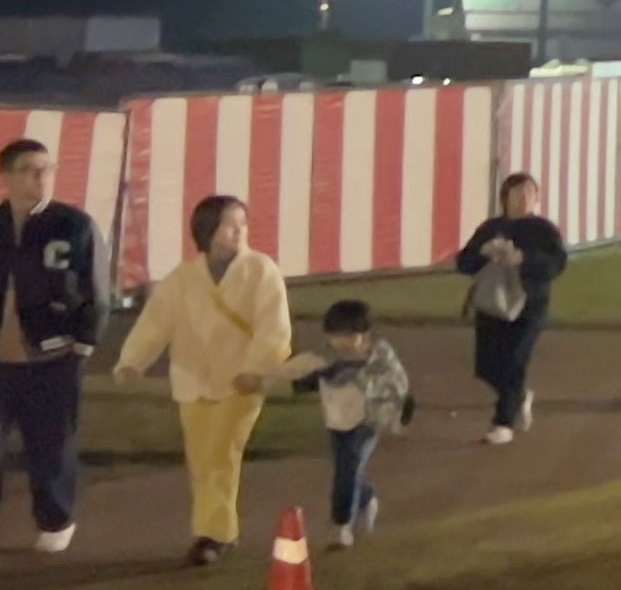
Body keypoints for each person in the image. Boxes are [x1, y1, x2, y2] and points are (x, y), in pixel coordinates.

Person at [113, 195, 293, 565]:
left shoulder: (261, 271)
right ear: (207, 231)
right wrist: (132, 362)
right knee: (201, 460)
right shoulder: (182, 279)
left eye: (242, 224)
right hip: (192, 381)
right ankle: (215, 531)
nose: (238, 232)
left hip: (239, 383)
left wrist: (256, 368)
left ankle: (215, 535)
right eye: (229, 225)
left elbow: (274, 328)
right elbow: (154, 324)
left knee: (221, 455)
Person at [1, 137, 105, 553]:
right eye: (28, 169)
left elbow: (96, 288)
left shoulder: (72, 224)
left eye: (46, 169)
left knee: (50, 444)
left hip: (52, 354)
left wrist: (84, 342)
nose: (39, 177)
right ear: (7, 176)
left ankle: (56, 518)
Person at [280, 301, 411, 549]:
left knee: (347, 469)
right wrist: (260, 379)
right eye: (335, 335)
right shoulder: (323, 358)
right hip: (337, 423)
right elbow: (294, 372)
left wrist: (361, 379)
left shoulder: (380, 356)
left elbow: (397, 383)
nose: (341, 342)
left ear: (365, 334)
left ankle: (341, 525)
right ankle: (366, 498)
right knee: (348, 468)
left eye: (349, 335)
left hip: (367, 422)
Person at [452, 172, 567, 445]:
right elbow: (464, 263)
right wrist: (483, 252)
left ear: (537, 198)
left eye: (529, 193)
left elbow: (556, 265)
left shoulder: (544, 230)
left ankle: (503, 422)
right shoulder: (490, 228)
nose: (523, 198)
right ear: (505, 197)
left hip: (529, 306)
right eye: (517, 193)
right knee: (487, 366)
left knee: (515, 360)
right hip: (491, 305)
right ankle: (519, 395)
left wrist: (524, 259)